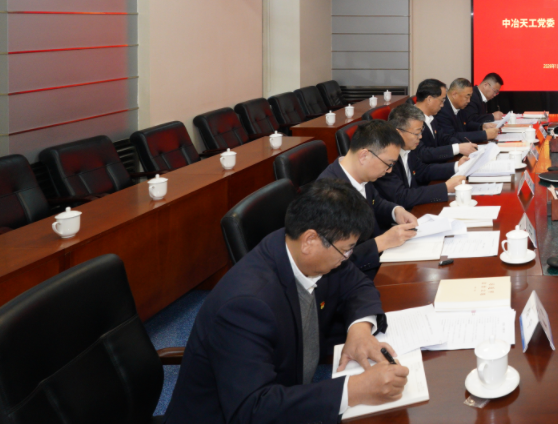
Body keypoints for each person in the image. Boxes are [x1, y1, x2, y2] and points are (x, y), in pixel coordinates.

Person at [165, 180, 410, 424]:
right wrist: (353, 390)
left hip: (289, 392)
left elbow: (357, 284)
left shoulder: (302, 251)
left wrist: (359, 331)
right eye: (346, 250)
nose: (347, 258)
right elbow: (252, 410)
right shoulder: (245, 306)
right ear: (310, 241)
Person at [317, 121, 419, 279]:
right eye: (388, 164)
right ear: (364, 155)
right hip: (357, 278)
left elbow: (375, 203)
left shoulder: (361, 174)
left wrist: (396, 211)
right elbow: (333, 261)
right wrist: (381, 242)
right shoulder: (328, 196)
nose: (389, 170)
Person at [374, 103, 470, 209]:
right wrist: (445, 188)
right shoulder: (384, 159)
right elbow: (401, 196)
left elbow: (423, 171)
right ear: (398, 133)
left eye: (421, 131)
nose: (420, 137)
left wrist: (457, 166)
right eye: (417, 133)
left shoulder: (408, 147)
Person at [414, 78, 477, 164]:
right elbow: (424, 153)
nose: (442, 105)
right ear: (429, 99)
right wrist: (457, 149)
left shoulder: (431, 117)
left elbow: (444, 137)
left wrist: (461, 146)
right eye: (442, 100)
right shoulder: (411, 120)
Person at [434, 77, 501, 144]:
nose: (469, 101)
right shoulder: (442, 109)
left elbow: (466, 124)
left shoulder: (460, 106)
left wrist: (482, 126)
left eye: (470, 97)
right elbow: (451, 136)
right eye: (467, 96)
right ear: (454, 94)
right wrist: (484, 135)